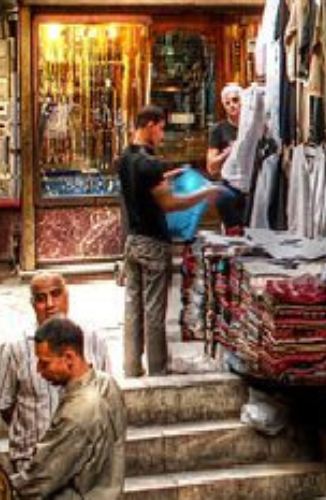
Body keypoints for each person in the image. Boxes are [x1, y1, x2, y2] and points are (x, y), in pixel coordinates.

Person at [117, 106, 222, 377]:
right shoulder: (149, 164)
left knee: (133, 307)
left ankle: (131, 366)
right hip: (153, 241)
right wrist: (204, 193)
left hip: (132, 240)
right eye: (161, 128)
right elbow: (170, 203)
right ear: (150, 125)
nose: (162, 135)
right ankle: (157, 368)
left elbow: (144, 185)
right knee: (154, 310)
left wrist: (167, 176)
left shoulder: (126, 157)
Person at [0, 272, 111, 474]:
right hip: (32, 460)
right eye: (41, 298)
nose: (50, 304)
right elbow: (5, 405)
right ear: (32, 304)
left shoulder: (94, 341)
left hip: (83, 461)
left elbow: (104, 397)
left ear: (67, 296)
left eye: (56, 295)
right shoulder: (15, 348)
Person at [14, 318, 129, 499]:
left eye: (44, 363)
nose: (38, 370)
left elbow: (41, 480)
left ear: (68, 357)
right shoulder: (107, 382)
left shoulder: (77, 413)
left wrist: (1, 484)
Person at [206, 84, 250, 228]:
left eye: (235, 100)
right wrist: (229, 152)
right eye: (227, 103)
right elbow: (211, 167)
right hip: (230, 183)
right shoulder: (218, 130)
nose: (232, 105)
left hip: (253, 182)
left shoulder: (252, 127)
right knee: (222, 196)